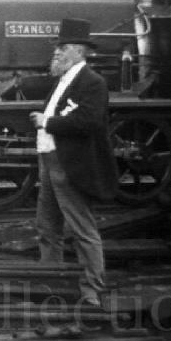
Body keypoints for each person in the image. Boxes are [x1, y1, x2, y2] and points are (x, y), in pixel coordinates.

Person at [29, 18, 119, 307]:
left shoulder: (92, 82)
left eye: (64, 48)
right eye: (58, 47)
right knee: (47, 227)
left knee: (82, 229)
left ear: (80, 52)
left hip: (70, 166)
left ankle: (92, 289)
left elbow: (90, 122)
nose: (57, 52)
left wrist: (48, 121)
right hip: (50, 162)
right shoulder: (63, 80)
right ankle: (50, 280)